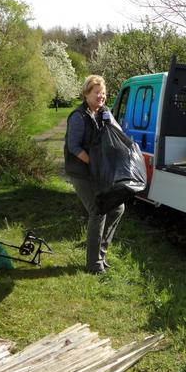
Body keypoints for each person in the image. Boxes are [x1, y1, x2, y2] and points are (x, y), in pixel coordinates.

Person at [64, 75, 125, 274]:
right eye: (97, 92)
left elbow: (118, 134)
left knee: (117, 208)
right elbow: (73, 147)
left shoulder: (104, 113)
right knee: (98, 211)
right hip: (81, 172)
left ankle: (101, 254)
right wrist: (94, 163)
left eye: (104, 93)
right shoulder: (78, 117)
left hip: (98, 172)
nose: (101, 96)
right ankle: (93, 264)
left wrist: (110, 123)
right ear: (86, 94)